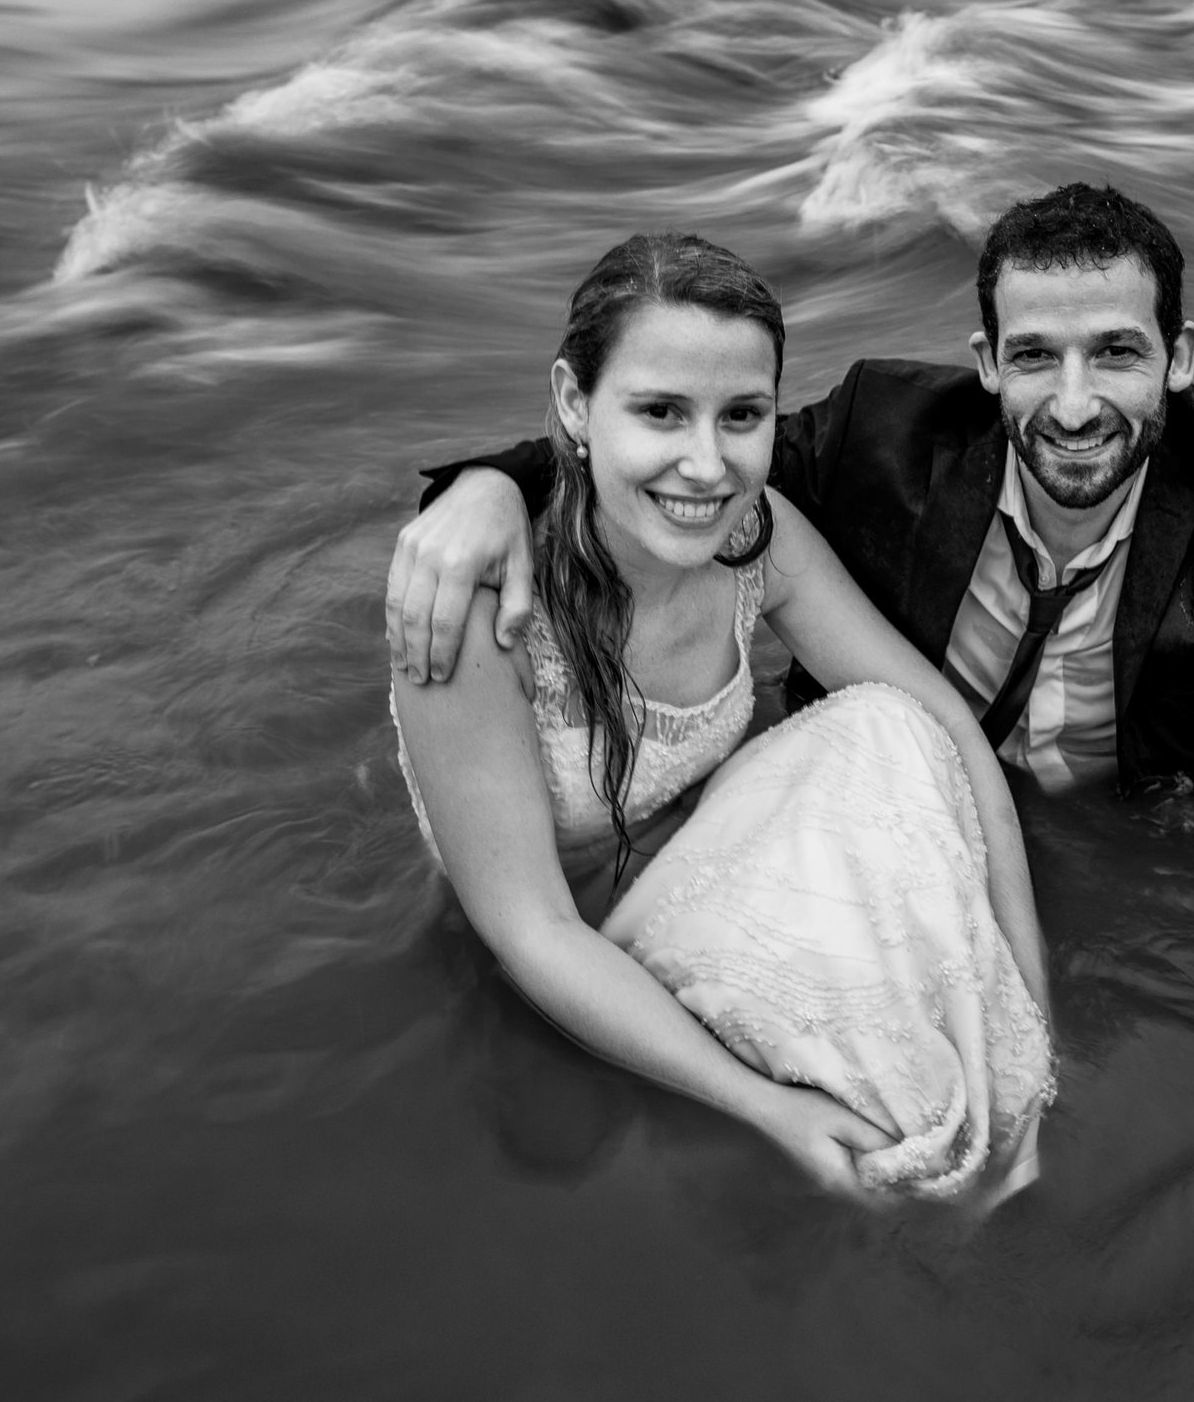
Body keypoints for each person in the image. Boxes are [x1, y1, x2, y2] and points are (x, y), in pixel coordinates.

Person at [391, 186, 1194, 1067]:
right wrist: (490, 485)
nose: (1074, 403)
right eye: (1034, 357)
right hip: (892, 807)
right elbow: (685, 461)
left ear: (1177, 359)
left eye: (1115, 352)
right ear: (987, 365)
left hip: (1193, 811)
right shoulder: (878, 437)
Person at [389, 233, 1054, 1205]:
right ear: (575, 404)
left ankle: (980, 1186)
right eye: (660, 411)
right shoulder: (477, 603)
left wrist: (1027, 1003)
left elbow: (945, 725)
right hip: (559, 951)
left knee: (887, 726)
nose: (706, 465)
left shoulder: (757, 536)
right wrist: (762, 1108)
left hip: (715, 866)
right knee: (580, 1156)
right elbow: (530, 929)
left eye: (740, 414)